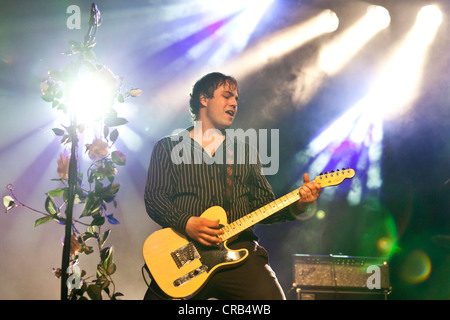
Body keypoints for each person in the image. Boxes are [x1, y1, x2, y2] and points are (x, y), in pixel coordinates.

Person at [143, 72, 321, 300]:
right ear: (203, 99)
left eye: (236, 98)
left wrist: (299, 205)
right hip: (184, 257)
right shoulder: (168, 147)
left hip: (240, 255)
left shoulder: (244, 152)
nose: (234, 103)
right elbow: (155, 199)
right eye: (227, 96)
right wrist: (187, 223)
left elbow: (263, 206)